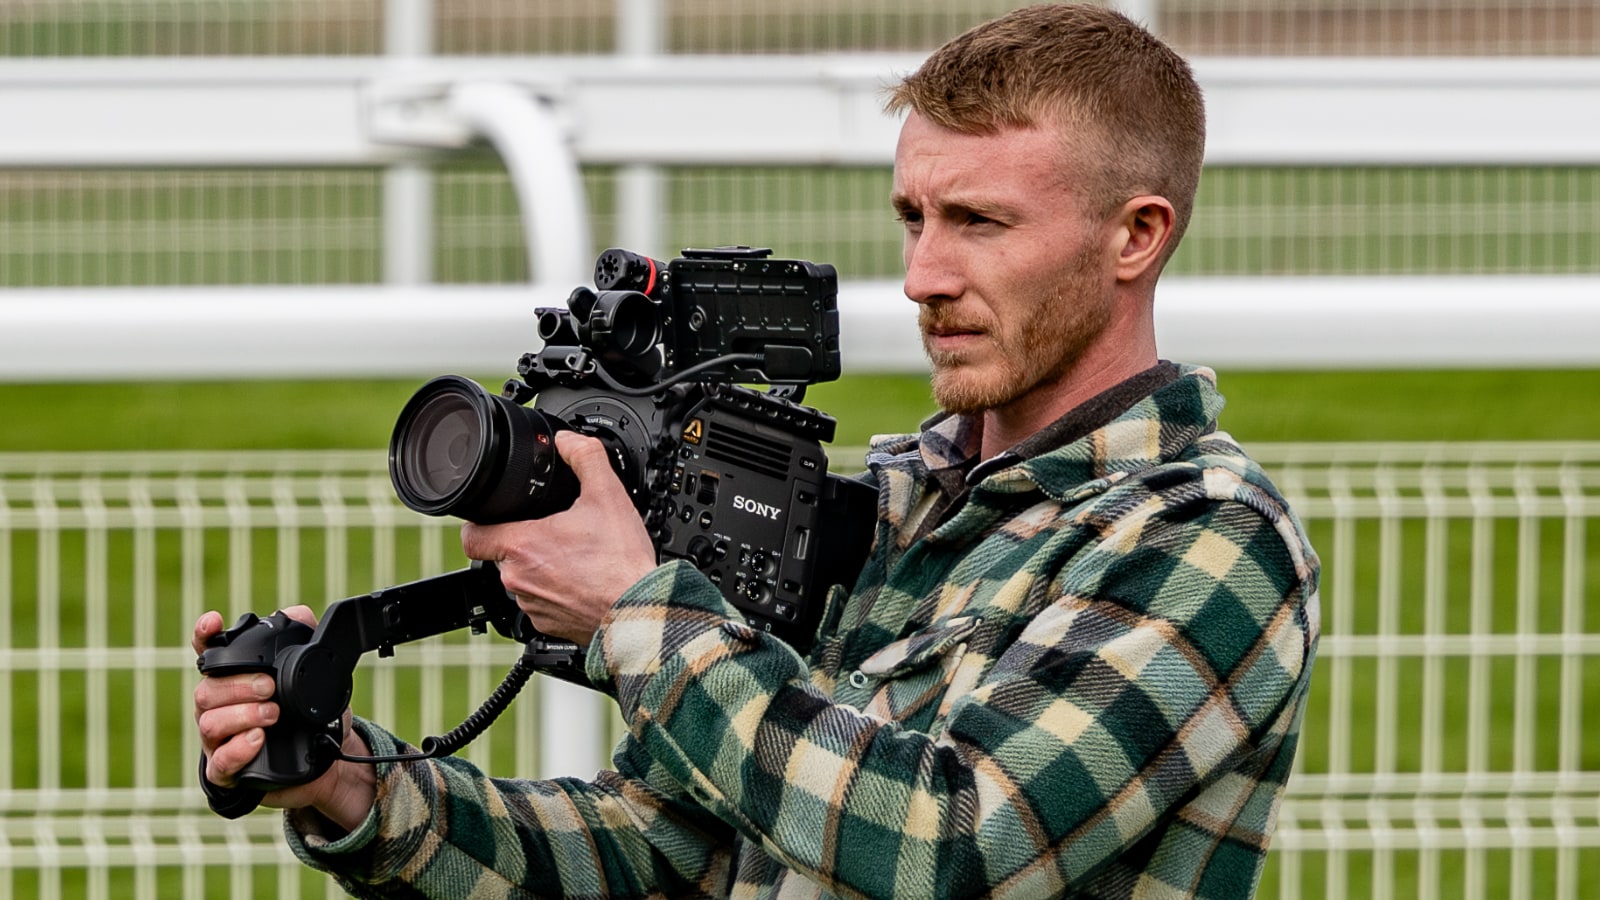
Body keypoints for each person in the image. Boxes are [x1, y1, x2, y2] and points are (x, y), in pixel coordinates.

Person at [193, 4, 1320, 897]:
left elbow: (952, 845)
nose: (925, 273)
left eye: (979, 222)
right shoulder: (892, 506)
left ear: (1136, 235)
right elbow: (665, 854)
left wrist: (638, 612)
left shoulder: (1204, 533)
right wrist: (352, 787)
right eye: (911, 218)